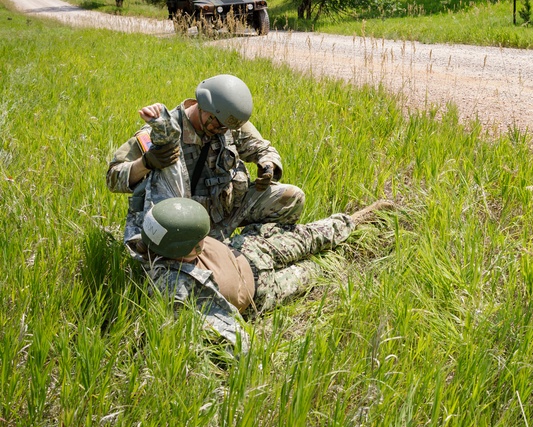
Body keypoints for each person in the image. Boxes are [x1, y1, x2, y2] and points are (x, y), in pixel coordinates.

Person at [135, 197, 385, 354]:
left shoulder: (161, 236)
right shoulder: (174, 284)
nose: (203, 241)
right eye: (198, 241)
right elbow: (218, 330)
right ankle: (351, 254)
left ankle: (353, 221)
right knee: (314, 271)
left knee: (309, 236)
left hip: (251, 251)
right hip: (265, 288)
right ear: (179, 248)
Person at [107, 74, 306, 252]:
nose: (221, 131)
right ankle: (217, 252)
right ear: (204, 108)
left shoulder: (227, 122)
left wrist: (268, 166)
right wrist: (146, 162)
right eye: (217, 125)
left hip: (229, 210)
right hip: (186, 224)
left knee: (292, 197)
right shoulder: (162, 133)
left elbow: (262, 148)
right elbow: (113, 178)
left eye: (226, 127)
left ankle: (245, 247)